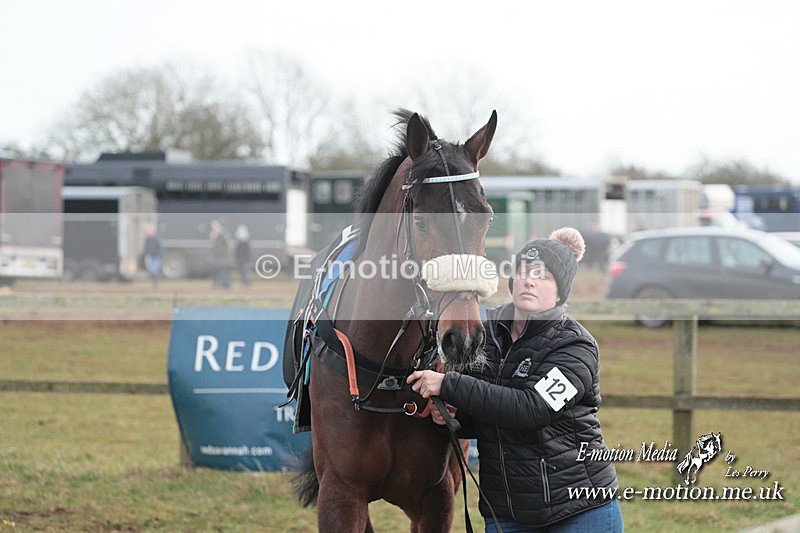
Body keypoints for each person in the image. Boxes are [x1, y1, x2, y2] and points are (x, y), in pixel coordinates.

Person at [408, 227, 623, 532]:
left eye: (543, 276)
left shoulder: (576, 346)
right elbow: (485, 411)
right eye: (523, 271)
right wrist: (456, 416)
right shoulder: (486, 333)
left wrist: (449, 385)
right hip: (507, 512)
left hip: (579, 508)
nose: (529, 280)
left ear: (561, 291)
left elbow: (531, 409)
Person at [209, 220, 232, 289]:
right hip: (219, 259)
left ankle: (226, 285)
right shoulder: (217, 237)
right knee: (218, 272)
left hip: (224, 258)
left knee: (224, 272)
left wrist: (219, 235)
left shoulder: (223, 235)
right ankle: (218, 285)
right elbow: (215, 248)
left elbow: (226, 244)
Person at [142, 224, 162, 290]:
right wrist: (145, 255)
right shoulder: (147, 240)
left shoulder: (156, 239)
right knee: (151, 271)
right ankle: (154, 284)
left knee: (154, 271)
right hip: (150, 257)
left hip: (156, 257)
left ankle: (156, 285)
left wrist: (160, 256)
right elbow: (146, 248)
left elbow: (160, 248)